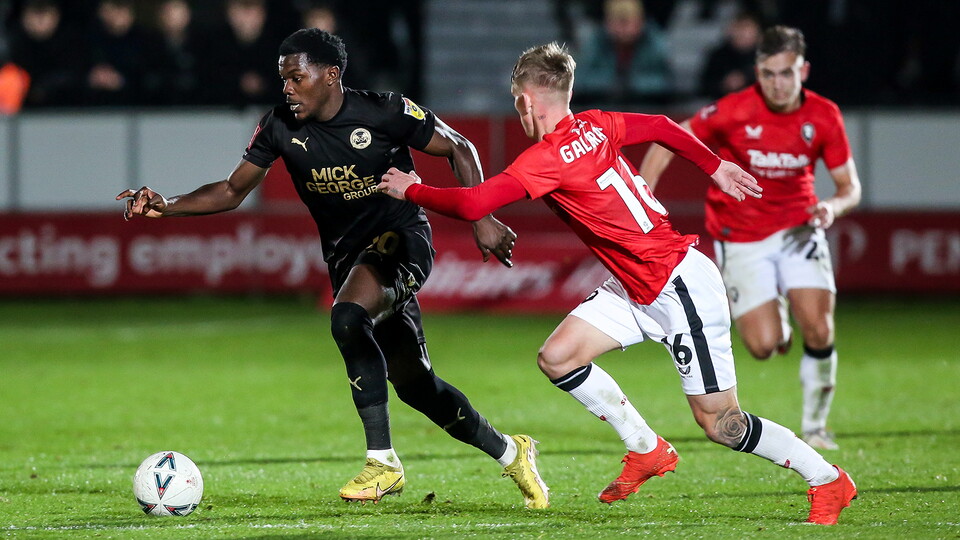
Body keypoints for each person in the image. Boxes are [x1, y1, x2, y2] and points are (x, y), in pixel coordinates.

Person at [377, 41, 857, 525]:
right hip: (636, 286)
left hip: (677, 284)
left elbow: (473, 203)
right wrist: (715, 165)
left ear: (525, 102)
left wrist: (409, 188)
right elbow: (665, 127)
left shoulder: (546, 159)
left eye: (515, 102)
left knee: (721, 423)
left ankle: (827, 479)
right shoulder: (598, 123)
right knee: (559, 357)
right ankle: (647, 448)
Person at [117, 28, 549, 508]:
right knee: (415, 386)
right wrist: (166, 205)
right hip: (348, 258)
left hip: (402, 240)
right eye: (283, 78)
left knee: (346, 317)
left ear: (331, 75)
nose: (287, 88)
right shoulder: (279, 125)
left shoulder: (384, 109)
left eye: (296, 77)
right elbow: (232, 190)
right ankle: (513, 452)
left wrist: (481, 217)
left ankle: (382, 464)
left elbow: (459, 147)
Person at [639, 26, 862, 451]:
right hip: (740, 236)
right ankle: (775, 316)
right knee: (763, 347)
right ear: (757, 71)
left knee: (819, 328)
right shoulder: (735, 109)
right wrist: (643, 194)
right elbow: (669, 135)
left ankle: (815, 427)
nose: (777, 83)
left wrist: (832, 207)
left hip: (799, 229)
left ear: (804, 69)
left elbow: (850, 187)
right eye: (768, 74)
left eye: (786, 73)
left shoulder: (824, 115)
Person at [574, 0, 672, 105]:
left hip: (645, 107)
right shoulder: (595, 42)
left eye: (628, 22)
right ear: (607, 23)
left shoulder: (654, 42)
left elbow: (666, 82)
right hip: (604, 107)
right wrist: (613, 84)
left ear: (641, 22)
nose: (623, 29)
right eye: (618, 22)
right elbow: (582, 80)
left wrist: (630, 84)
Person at [698, 11, 761, 99]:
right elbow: (704, 86)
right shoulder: (718, 55)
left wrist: (746, 78)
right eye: (739, 28)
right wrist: (724, 85)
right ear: (729, 30)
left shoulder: (765, 56)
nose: (742, 33)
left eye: (746, 28)